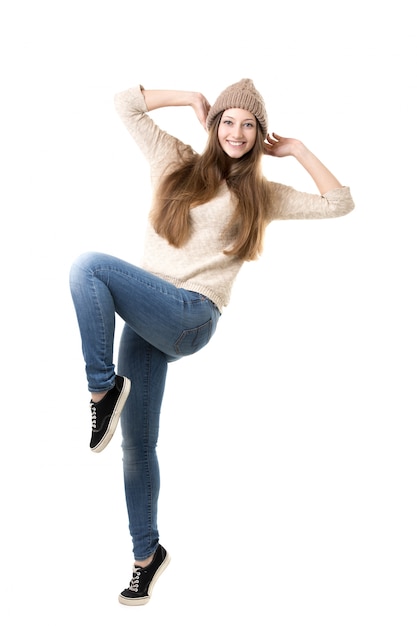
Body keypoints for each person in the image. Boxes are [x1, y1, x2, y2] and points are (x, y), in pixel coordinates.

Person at [69, 78, 354, 606]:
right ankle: (145, 555)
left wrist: (298, 150)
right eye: (229, 120)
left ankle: (100, 390)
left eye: (250, 125)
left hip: (192, 315)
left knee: (90, 268)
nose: (238, 132)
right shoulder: (173, 159)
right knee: (136, 447)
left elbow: (339, 203)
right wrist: (188, 97)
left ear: (259, 134)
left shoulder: (262, 194)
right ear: (215, 123)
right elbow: (122, 103)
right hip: (148, 320)